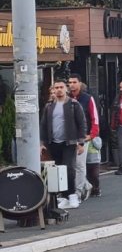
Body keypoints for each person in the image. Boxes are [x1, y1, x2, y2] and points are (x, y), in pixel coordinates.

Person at [40, 80, 87, 208]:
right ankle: (64, 197)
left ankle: (72, 196)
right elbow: (43, 125)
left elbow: (82, 123)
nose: (59, 90)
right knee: (58, 170)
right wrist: (42, 143)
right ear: (53, 90)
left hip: (69, 142)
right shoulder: (49, 106)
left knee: (68, 169)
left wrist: (81, 142)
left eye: (61, 87)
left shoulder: (73, 104)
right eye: (56, 87)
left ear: (66, 89)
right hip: (53, 142)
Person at [68, 74, 99, 201]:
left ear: (80, 83)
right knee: (71, 165)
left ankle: (79, 191)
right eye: (69, 82)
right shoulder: (66, 98)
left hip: (83, 137)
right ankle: (87, 185)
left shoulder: (88, 98)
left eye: (74, 82)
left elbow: (94, 117)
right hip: (68, 138)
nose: (72, 85)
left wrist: (91, 135)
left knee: (80, 164)